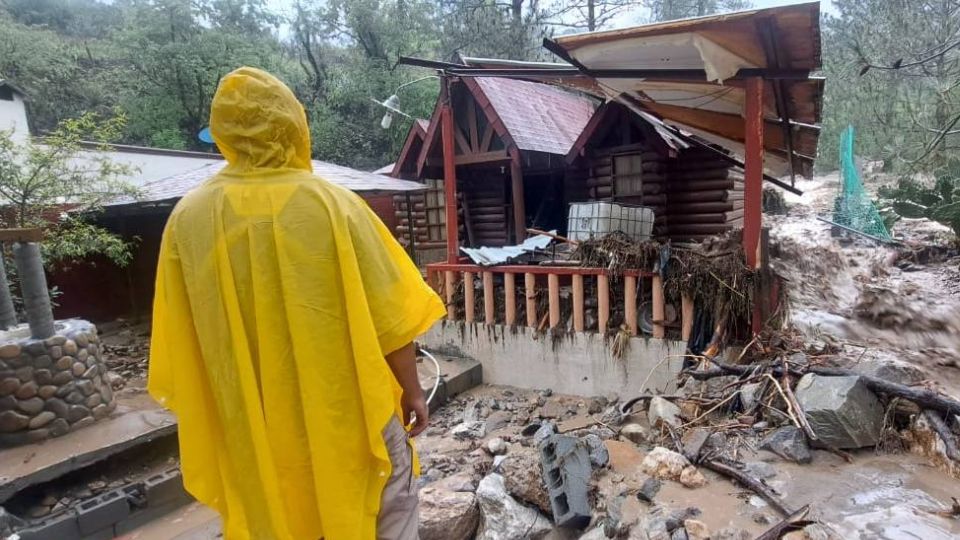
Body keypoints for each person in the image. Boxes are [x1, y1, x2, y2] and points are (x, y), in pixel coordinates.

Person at [148, 66, 446, 540]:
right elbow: (391, 319)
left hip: (252, 426)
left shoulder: (188, 220)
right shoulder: (334, 206)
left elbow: (182, 338)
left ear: (222, 134)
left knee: (277, 516)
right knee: (385, 510)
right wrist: (412, 391)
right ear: (294, 126)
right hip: (346, 416)